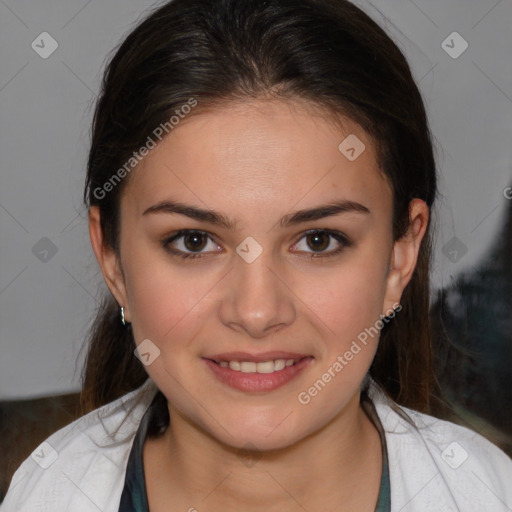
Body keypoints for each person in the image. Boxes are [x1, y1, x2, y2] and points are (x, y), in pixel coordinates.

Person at [2, 0, 512, 510]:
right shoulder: (45, 494)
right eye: (194, 241)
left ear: (401, 257)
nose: (256, 312)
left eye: (318, 241)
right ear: (113, 259)